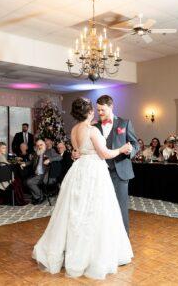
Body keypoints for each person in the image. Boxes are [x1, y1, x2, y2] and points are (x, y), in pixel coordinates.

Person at [33, 97, 133, 279]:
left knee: (76, 211)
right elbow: (104, 154)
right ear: (90, 112)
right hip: (94, 171)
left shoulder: (74, 129)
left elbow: (78, 151)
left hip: (78, 170)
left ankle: (71, 250)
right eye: (94, 110)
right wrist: (121, 149)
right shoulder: (92, 130)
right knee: (96, 212)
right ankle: (92, 256)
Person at [92, 95, 139, 234]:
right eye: (98, 110)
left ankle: (123, 240)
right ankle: (105, 238)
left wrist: (131, 150)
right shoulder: (94, 127)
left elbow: (135, 143)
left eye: (102, 110)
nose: (99, 113)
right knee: (101, 207)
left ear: (111, 107)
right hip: (100, 172)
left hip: (120, 172)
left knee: (120, 207)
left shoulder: (124, 123)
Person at [0, 142, 27, 206]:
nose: (5, 149)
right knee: (17, 181)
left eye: (5, 148)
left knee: (16, 180)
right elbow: (7, 168)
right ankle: (18, 201)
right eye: (3, 148)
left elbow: (5, 165)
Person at [25, 139, 62, 205]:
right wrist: (25, 164)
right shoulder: (37, 153)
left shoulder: (50, 151)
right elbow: (31, 162)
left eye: (41, 145)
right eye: (38, 145)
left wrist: (49, 160)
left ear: (44, 145)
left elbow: (59, 157)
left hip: (45, 175)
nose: (39, 146)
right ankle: (39, 196)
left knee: (29, 182)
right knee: (27, 181)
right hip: (37, 174)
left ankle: (40, 196)